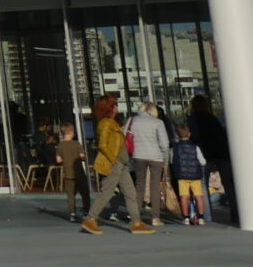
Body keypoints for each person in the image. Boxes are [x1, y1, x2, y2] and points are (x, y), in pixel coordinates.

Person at [80, 95, 153, 235]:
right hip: (115, 163)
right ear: (109, 108)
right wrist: (112, 159)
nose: (117, 108)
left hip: (122, 163)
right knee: (107, 192)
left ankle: (136, 222)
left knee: (131, 193)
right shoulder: (106, 123)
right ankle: (90, 219)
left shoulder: (112, 123)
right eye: (114, 106)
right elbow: (102, 144)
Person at [187, 95, 233, 225]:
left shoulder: (192, 119)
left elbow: (195, 136)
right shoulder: (213, 118)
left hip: (204, 153)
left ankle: (206, 215)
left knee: (202, 186)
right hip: (221, 153)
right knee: (229, 184)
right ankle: (236, 213)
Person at [126, 102, 171, 221]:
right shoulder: (158, 122)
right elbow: (165, 144)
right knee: (155, 186)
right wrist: (166, 161)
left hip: (138, 155)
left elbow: (124, 136)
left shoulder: (132, 120)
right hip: (156, 156)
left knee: (140, 185)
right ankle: (155, 217)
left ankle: (136, 215)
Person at [169, 123, 210, 225]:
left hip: (182, 176)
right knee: (198, 196)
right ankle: (201, 217)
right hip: (195, 175)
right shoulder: (195, 147)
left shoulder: (175, 149)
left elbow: (172, 161)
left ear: (178, 135)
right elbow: (203, 161)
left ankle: (186, 218)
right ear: (189, 134)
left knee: (184, 196)